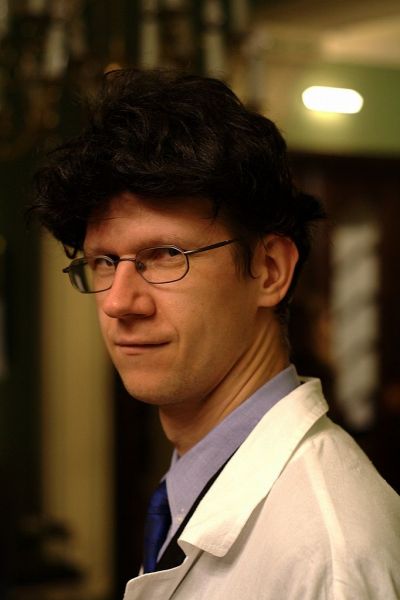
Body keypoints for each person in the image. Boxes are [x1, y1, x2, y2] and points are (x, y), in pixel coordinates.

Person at [31, 69, 400, 600]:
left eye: (165, 255)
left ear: (269, 270)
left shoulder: (329, 556)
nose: (118, 302)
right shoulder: (192, 485)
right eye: (105, 261)